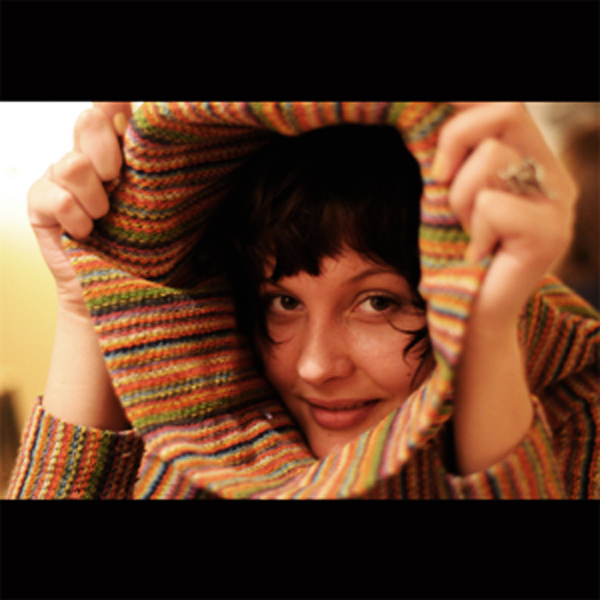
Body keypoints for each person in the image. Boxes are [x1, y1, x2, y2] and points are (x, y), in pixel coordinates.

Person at [8, 101, 600, 499]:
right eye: (283, 303)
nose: (316, 366)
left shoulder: (579, 425)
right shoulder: (202, 441)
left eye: (379, 302)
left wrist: (488, 330)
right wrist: (87, 300)